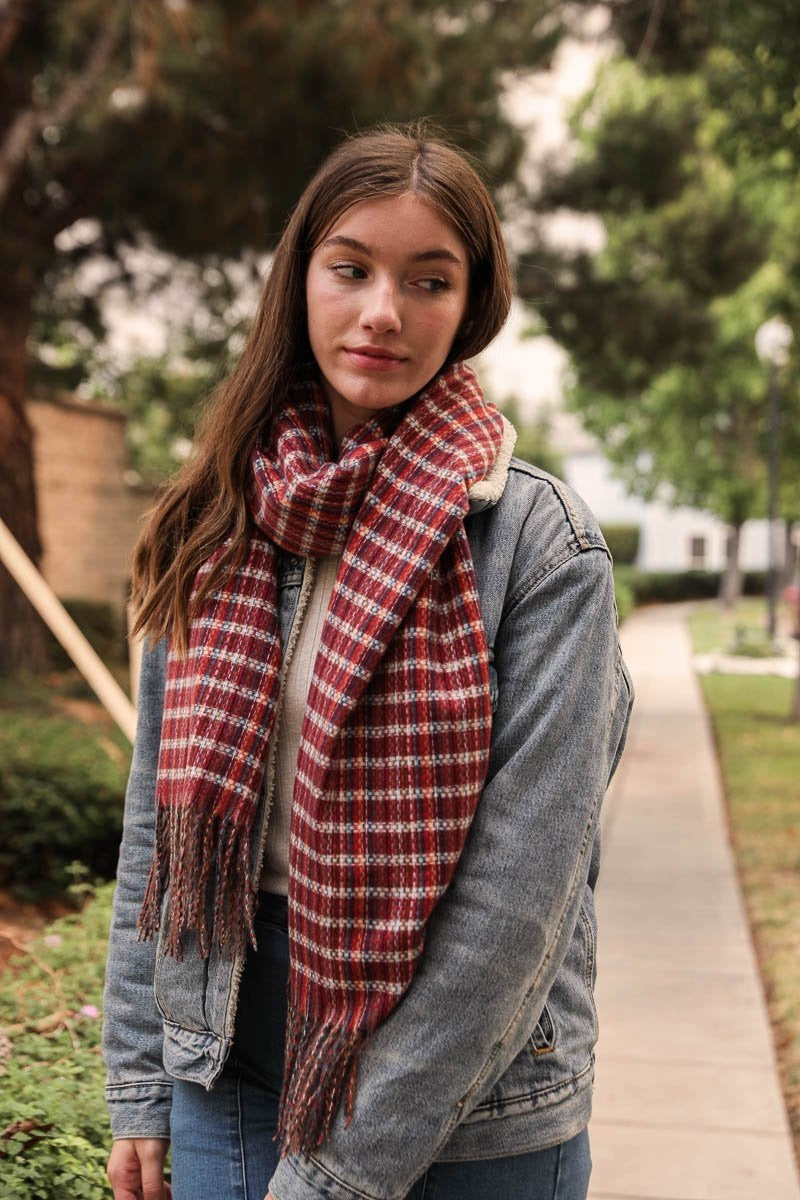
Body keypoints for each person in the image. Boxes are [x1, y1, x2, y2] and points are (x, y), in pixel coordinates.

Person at [102, 124, 633, 1200]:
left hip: (471, 1105)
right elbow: (159, 835)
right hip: (230, 1072)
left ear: (468, 306)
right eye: (351, 269)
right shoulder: (217, 519)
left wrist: (342, 1173)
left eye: (426, 280)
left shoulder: (538, 546)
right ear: (299, 279)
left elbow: (516, 900)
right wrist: (143, 1079)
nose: (383, 311)